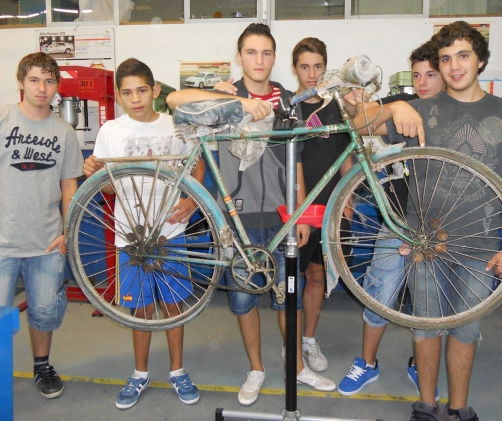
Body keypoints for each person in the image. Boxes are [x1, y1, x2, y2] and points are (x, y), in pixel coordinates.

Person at [378, 22, 502, 421]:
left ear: (481, 59)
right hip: (425, 245)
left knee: (466, 332)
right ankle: (427, 405)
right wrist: (394, 106)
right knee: (426, 328)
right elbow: (361, 123)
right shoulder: (420, 109)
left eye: (463, 56)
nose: (454, 66)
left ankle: (458, 408)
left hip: (480, 249)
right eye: (446, 59)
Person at [167, 23, 336, 407]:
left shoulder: (289, 101)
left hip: (282, 217)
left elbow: (298, 163)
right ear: (239, 56)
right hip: (237, 220)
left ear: (274, 58)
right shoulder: (224, 95)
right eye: (250, 53)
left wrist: (303, 214)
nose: (258, 60)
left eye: (265, 53)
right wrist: (237, 102)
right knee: (244, 300)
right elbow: (175, 99)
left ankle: (295, 367)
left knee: (288, 299)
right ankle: (256, 368)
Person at [82, 58, 204, 409]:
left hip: (171, 230)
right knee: (140, 309)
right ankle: (140, 372)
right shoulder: (110, 133)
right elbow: (105, 190)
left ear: (154, 90)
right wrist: (94, 172)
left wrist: (192, 201)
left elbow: (197, 162)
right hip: (131, 235)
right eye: (127, 93)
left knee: (173, 305)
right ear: (119, 97)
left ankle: (178, 370)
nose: (135, 98)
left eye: (141, 90)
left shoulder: (175, 125)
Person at [0, 52, 84, 399]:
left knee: (44, 313)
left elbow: (68, 187)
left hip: (45, 242)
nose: (41, 88)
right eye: (34, 80)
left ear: (57, 87)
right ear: (21, 82)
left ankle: (42, 365)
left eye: (48, 81)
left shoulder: (64, 133)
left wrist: (67, 232)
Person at [337, 40, 447, 398]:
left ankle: (421, 364)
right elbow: (357, 127)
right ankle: (367, 363)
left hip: (439, 226)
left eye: (430, 74)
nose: (423, 81)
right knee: (378, 293)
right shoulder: (406, 112)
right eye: (417, 75)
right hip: (397, 219)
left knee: (429, 302)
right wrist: (396, 104)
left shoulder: (455, 116)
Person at [289, 37, 355, 373]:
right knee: (293, 278)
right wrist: (299, 209)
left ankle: (309, 339)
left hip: (330, 206)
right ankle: (294, 347)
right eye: (304, 66)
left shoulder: (335, 106)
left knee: (317, 274)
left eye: (317, 66)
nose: (311, 73)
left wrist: (348, 197)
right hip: (298, 209)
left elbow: (345, 156)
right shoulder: (289, 107)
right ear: (294, 68)